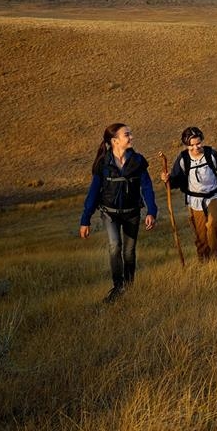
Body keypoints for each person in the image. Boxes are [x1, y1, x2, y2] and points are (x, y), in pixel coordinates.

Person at [79, 123, 157, 304]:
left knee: (129, 252)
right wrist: (85, 219)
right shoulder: (103, 164)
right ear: (115, 141)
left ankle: (129, 287)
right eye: (127, 134)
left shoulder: (138, 161)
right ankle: (118, 286)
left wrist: (151, 211)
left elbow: (147, 187)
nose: (131, 137)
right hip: (110, 214)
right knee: (115, 247)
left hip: (132, 213)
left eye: (130, 133)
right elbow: (93, 193)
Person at [161, 126, 217, 262]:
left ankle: (216, 259)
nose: (196, 147)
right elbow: (176, 181)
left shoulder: (211, 154)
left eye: (198, 143)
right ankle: (204, 261)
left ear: (202, 141)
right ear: (186, 145)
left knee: (213, 225)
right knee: (200, 235)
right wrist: (168, 180)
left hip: (214, 195)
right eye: (192, 145)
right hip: (194, 200)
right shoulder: (183, 159)